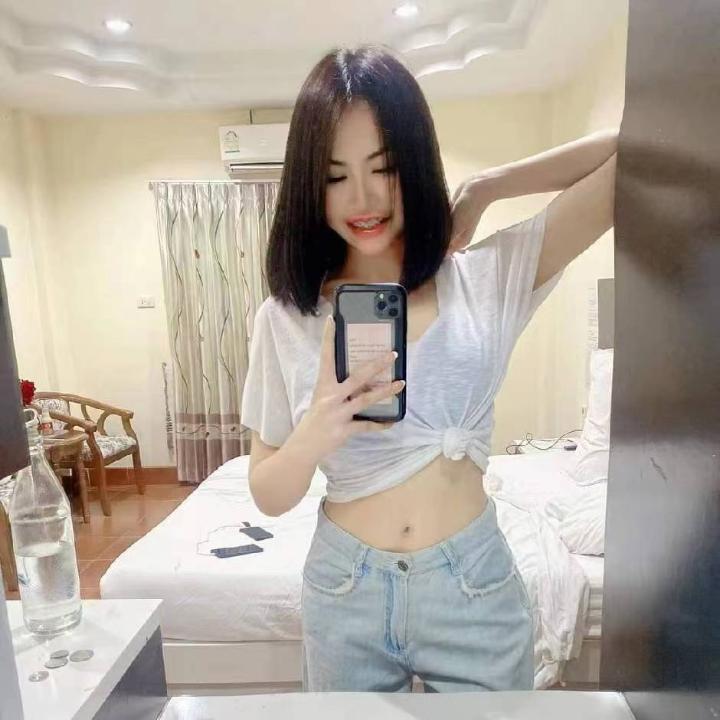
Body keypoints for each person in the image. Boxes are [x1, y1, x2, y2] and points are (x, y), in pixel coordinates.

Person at [240, 44, 617, 692]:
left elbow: (640, 150)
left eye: (384, 167)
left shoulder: (487, 278)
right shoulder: (285, 317)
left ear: (414, 163)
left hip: (473, 586)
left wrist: (487, 186)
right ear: (308, 185)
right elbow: (269, 494)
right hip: (345, 592)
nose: (362, 197)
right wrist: (314, 435)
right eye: (334, 176)